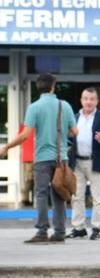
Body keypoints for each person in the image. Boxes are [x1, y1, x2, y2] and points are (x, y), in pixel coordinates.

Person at [0, 73, 77, 244]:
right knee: (59, 194)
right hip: (61, 159)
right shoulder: (64, 106)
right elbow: (75, 132)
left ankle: (42, 231)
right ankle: (59, 232)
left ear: (38, 87)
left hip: (42, 158)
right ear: (53, 86)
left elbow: (25, 135)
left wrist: (7, 147)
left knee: (41, 195)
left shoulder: (34, 107)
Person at [68, 88, 100, 240]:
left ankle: (97, 227)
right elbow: (69, 138)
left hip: (96, 161)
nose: (88, 102)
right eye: (86, 98)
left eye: (92, 99)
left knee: (97, 197)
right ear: (81, 100)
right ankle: (79, 227)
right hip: (77, 162)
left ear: (97, 101)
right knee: (76, 196)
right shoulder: (74, 117)